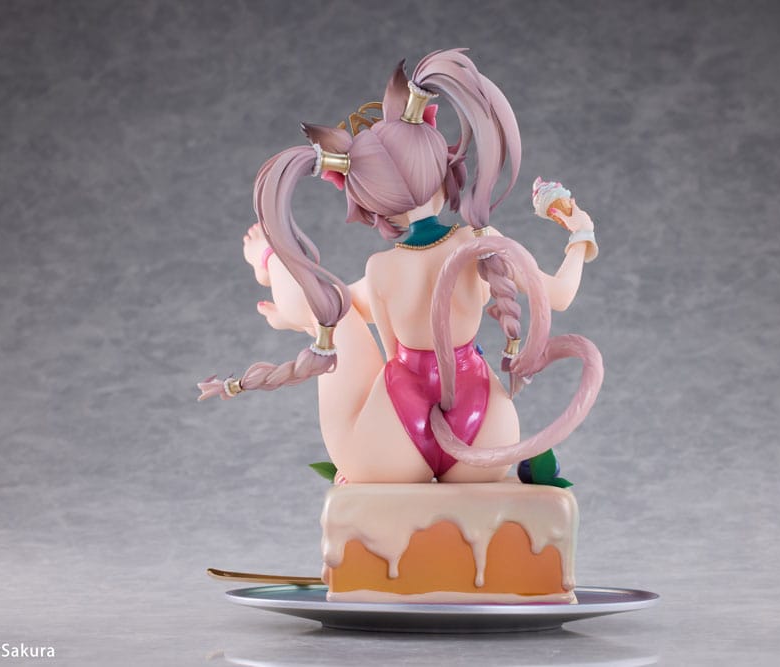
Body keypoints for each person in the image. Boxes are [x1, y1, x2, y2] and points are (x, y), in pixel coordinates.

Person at [199, 49, 603, 483]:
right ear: (443, 165)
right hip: (485, 427)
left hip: (396, 430)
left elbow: (359, 327)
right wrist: (580, 233)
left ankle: (272, 261)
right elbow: (559, 296)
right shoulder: (480, 242)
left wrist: (297, 314)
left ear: (372, 204)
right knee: (332, 311)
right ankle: (277, 276)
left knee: (334, 313)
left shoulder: (382, 269)